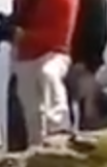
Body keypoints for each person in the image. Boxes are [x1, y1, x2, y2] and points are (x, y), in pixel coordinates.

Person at [10, 0, 79, 149]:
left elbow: (59, 35)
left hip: (54, 51)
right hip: (26, 55)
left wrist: (23, 36)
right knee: (30, 104)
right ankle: (36, 145)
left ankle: (59, 128)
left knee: (48, 74)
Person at [68, 0, 107, 129]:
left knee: (88, 107)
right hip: (73, 59)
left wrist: (86, 60)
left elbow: (100, 33)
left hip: (85, 63)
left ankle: (89, 138)